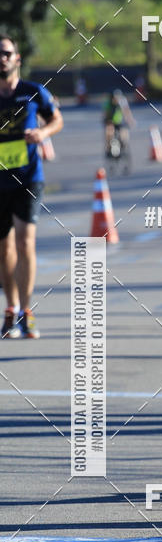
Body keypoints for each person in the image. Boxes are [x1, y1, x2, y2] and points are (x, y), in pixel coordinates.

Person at [0, 35, 63, 339]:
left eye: (6, 53)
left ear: (17, 58)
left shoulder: (33, 92)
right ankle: (10, 310)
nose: (2, 58)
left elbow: (57, 119)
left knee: (25, 243)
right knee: (4, 249)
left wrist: (42, 133)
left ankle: (27, 311)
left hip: (28, 177)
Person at [102, 89, 134, 154]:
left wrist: (130, 120)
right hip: (110, 121)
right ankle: (109, 147)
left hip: (120, 121)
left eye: (117, 98)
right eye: (114, 98)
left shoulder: (122, 102)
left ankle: (123, 145)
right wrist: (106, 121)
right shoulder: (108, 103)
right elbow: (105, 114)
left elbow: (127, 111)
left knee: (124, 133)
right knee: (109, 131)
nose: (116, 100)